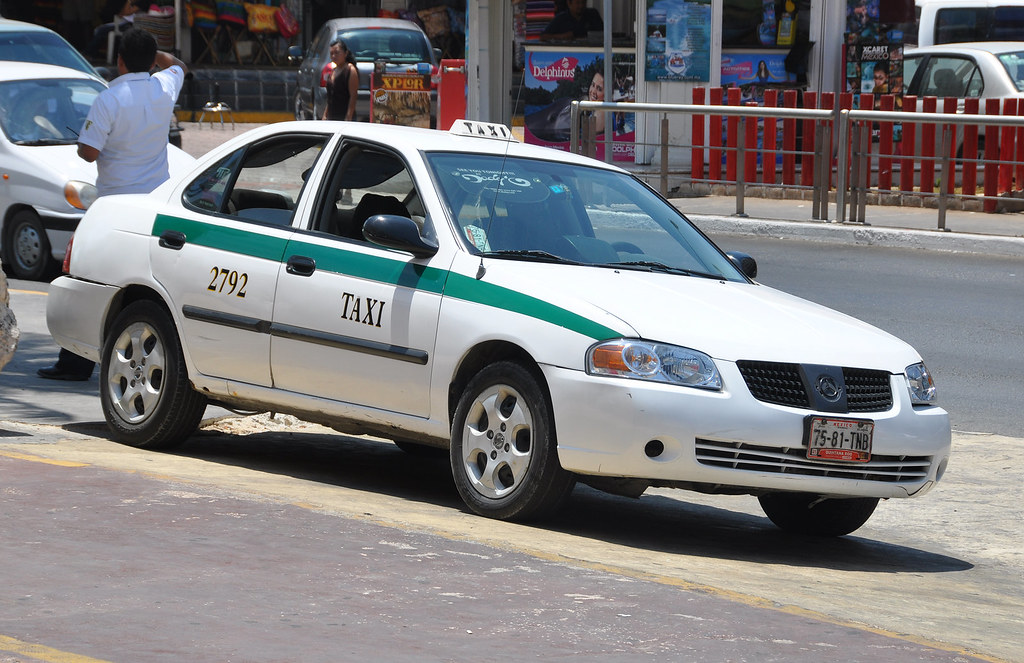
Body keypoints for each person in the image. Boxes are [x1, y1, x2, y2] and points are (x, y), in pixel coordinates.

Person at [37, 28, 187, 381]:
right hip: (154, 205)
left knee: (87, 278)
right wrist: (156, 59)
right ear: (151, 61)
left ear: (118, 61)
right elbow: (179, 64)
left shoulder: (109, 98)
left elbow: (88, 152)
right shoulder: (163, 86)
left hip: (113, 208)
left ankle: (75, 360)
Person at [322, 38, 358, 121]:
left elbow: (353, 96)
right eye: (331, 53)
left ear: (345, 53)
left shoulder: (350, 70)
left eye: (337, 53)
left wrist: (348, 117)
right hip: (332, 117)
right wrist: (325, 115)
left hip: (344, 118)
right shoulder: (333, 70)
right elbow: (330, 97)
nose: (334, 56)